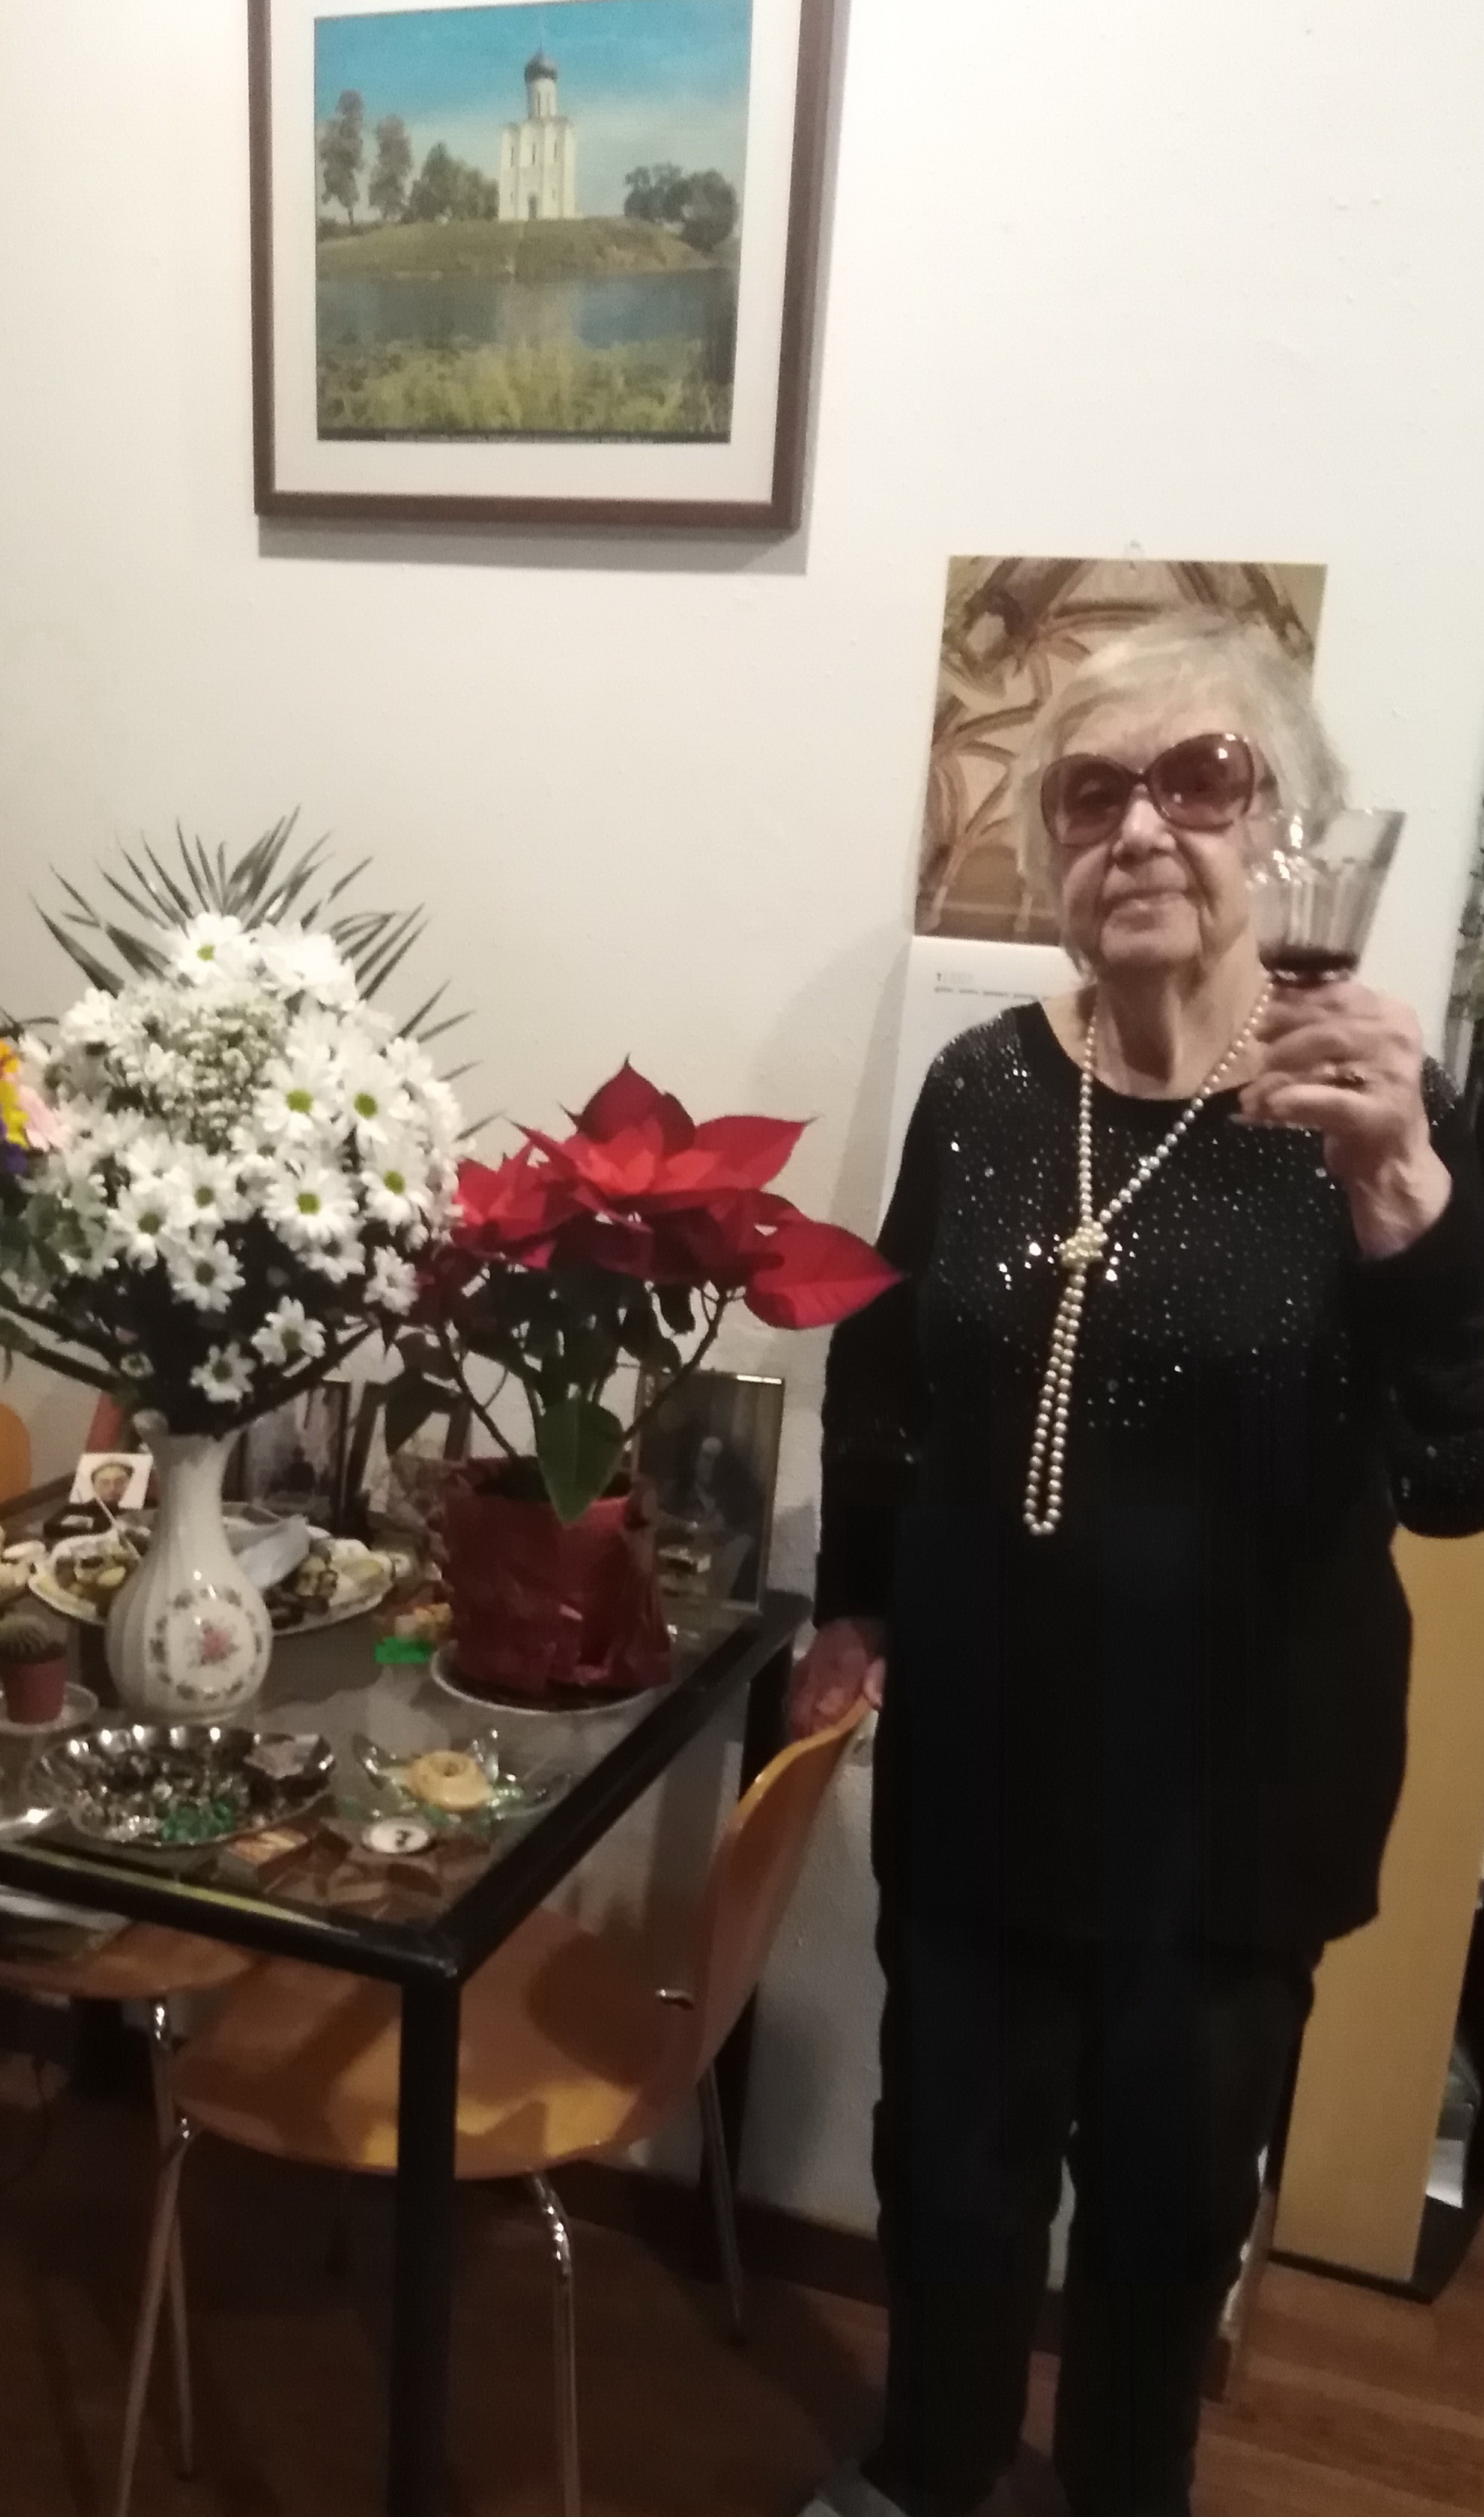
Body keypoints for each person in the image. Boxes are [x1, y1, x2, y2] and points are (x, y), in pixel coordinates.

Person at [790, 613, 1484, 2517]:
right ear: (1048, 848)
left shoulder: (1375, 1107)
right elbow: (887, 1369)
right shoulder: (986, 1085)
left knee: (1169, 2216)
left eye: (1202, 778)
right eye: (1093, 793)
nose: (1145, 828)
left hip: (1237, 1805)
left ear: (1284, 827)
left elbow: (1458, 1477)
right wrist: (852, 1599)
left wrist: (1403, 1205)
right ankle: (928, 2470)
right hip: (984, 1764)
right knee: (947, 2176)